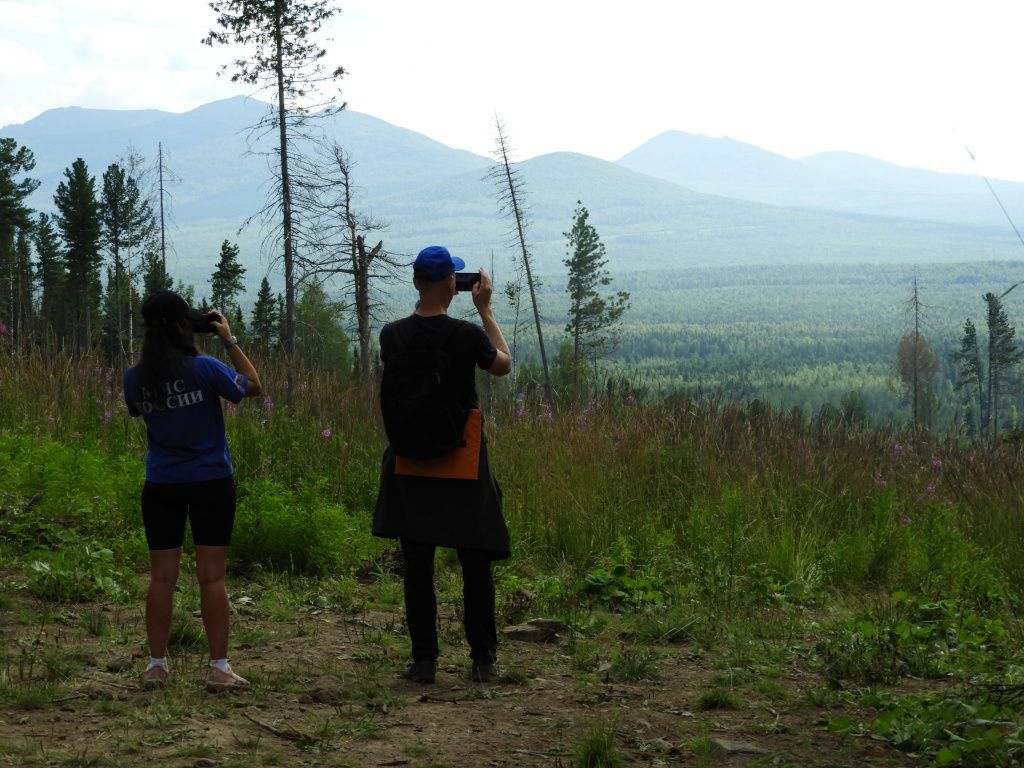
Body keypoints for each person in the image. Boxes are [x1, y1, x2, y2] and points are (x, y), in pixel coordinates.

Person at [373, 245, 512, 684]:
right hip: (463, 460)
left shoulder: (391, 335)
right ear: (454, 284)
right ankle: (483, 659)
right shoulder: (468, 335)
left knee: (418, 564)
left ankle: (425, 660)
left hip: (410, 462)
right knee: (475, 561)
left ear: (416, 282)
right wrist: (485, 311)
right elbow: (503, 366)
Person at [123, 290, 262, 691]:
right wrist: (229, 340)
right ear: (186, 325)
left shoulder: (135, 378)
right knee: (212, 578)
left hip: (161, 484)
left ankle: (156, 665)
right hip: (211, 482)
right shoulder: (204, 368)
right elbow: (253, 386)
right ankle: (219, 668)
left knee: (161, 578)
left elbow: (137, 409)